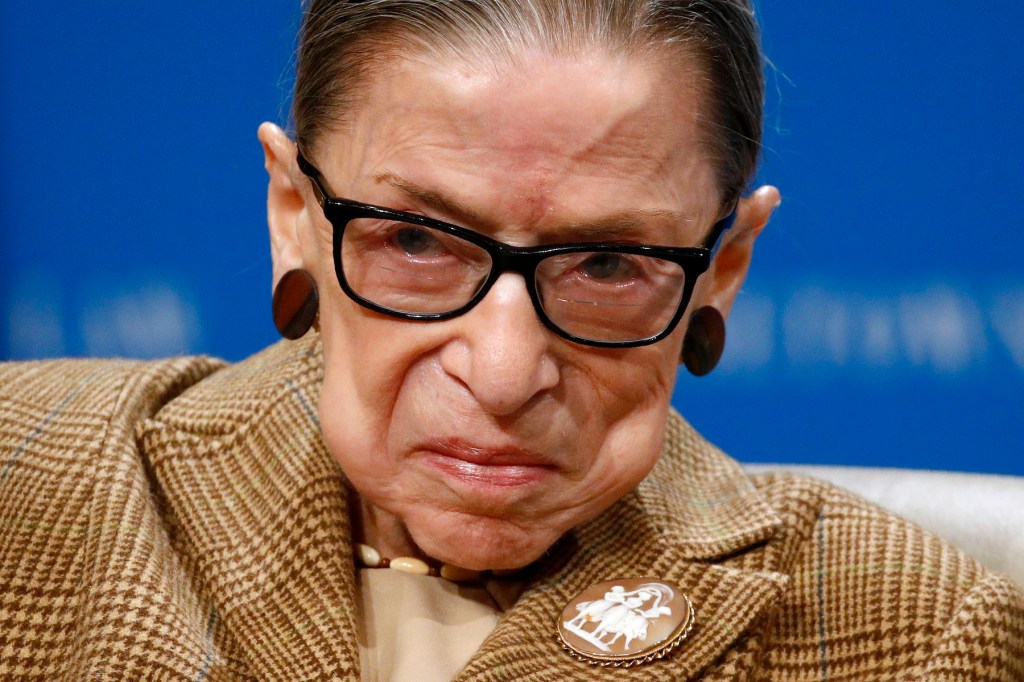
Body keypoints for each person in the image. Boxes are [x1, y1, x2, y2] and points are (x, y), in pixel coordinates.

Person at [1, 0, 1021, 680]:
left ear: (723, 265)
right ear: (290, 212)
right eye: (414, 240)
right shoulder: (24, 483)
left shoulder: (916, 634)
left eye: (611, 264)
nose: (500, 373)